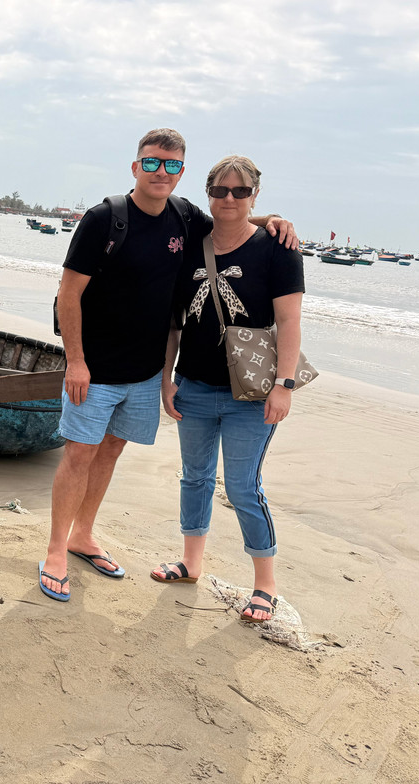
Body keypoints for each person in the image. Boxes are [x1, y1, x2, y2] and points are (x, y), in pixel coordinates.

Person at [38, 129, 297, 602]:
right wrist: (75, 361)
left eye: (172, 165)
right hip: (93, 370)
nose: (162, 172)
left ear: (181, 172)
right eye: (153, 163)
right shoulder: (104, 219)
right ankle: (57, 550)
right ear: (136, 167)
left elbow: (229, 219)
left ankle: (83, 535)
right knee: (78, 453)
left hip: (142, 374)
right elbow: (68, 294)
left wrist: (272, 219)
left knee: (112, 449)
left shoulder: (184, 217)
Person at [150, 155, 304, 623]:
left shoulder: (278, 248)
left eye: (240, 192)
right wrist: (167, 378)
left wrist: (285, 385)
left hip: (252, 394)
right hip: (193, 386)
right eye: (221, 191)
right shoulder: (193, 244)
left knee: (242, 487)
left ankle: (265, 585)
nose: (230, 199)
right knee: (194, 477)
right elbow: (175, 322)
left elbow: (289, 320)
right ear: (208, 194)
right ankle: (191, 563)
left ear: (255, 194)